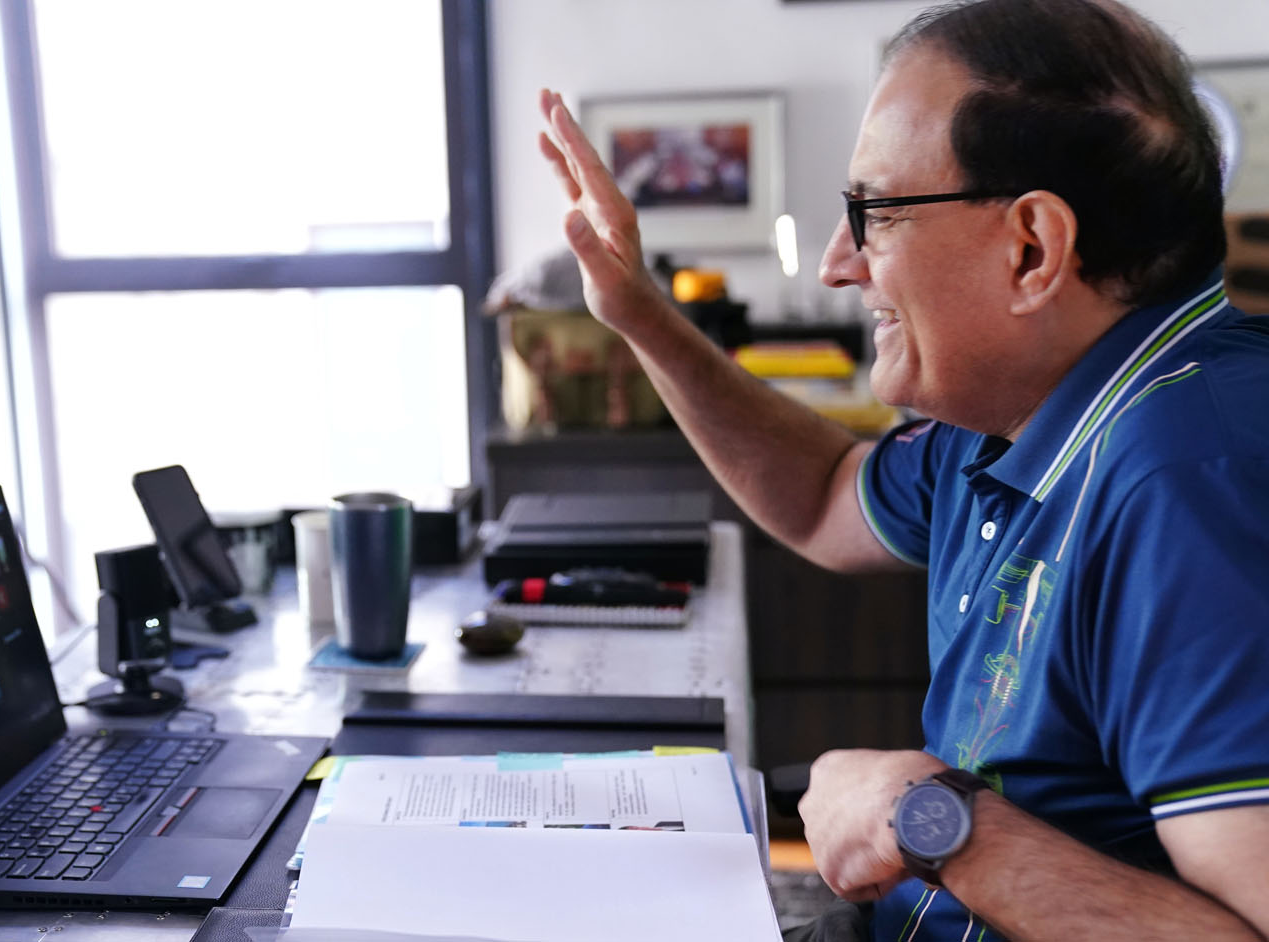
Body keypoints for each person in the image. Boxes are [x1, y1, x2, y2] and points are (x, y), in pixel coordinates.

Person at [536, 1, 1269, 939]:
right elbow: (825, 500)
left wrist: (925, 819)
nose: (839, 264)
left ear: (1032, 249)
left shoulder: (1193, 478)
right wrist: (641, 314)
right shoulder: (1015, 405)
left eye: (874, 213)